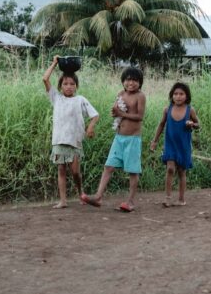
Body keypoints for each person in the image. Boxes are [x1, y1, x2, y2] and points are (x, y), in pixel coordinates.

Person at [82, 66, 146, 212]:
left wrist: (121, 114)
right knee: (109, 166)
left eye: (135, 80)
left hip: (132, 139)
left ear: (140, 83)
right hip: (119, 137)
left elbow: (140, 117)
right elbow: (118, 113)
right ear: (123, 81)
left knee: (132, 171)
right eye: (128, 80)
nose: (131, 83)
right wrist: (115, 113)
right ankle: (98, 196)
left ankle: (130, 202)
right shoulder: (120, 93)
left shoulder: (140, 96)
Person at [43, 55, 100, 209]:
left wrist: (90, 127)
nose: (68, 86)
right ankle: (63, 200)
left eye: (72, 84)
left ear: (76, 86)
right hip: (59, 140)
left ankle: (80, 192)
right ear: (60, 86)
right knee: (61, 170)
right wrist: (54, 63)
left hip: (74, 141)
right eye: (65, 84)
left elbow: (95, 115)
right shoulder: (56, 98)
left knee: (75, 172)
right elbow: (45, 79)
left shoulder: (80, 99)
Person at [150, 82, 200, 207]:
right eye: (175, 94)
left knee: (182, 171)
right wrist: (154, 141)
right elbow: (161, 125)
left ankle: (181, 199)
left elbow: (198, 124)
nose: (178, 96)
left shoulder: (190, 110)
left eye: (181, 94)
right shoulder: (167, 109)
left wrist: (192, 124)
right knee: (170, 168)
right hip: (170, 144)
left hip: (183, 146)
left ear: (186, 96)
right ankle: (167, 197)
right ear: (171, 96)